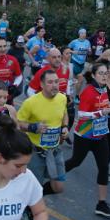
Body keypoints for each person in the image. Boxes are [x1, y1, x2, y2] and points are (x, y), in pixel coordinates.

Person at [65, 63, 110, 217]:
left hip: (100, 135)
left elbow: (104, 106)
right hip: (85, 135)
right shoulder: (88, 91)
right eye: (100, 73)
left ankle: (101, 204)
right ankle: (53, 175)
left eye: (105, 73)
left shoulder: (104, 89)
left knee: (104, 166)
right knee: (75, 162)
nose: (104, 75)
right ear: (93, 75)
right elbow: (81, 114)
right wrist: (100, 113)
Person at [17, 70, 69, 203]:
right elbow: (18, 123)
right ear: (42, 84)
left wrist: (64, 127)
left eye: (56, 82)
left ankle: (36, 197)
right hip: (36, 152)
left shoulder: (62, 98)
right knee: (34, 186)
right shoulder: (31, 102)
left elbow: (64, 114)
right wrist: (33, 127)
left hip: (55, 150)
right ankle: (28, 208)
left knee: (58, 187)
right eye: (50, 82)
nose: (55, 85)